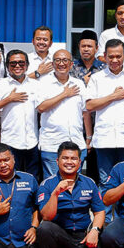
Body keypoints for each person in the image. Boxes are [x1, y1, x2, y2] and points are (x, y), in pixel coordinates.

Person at [36, 142, 108, 248]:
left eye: (74, 158)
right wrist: (55, 193)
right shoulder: (47, 185)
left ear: (80, 162)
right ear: (57, 161)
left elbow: (99, 212)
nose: (69, 162)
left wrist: (95, 230)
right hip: (59, 236)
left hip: (82, 235)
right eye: (65, 158)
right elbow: (46, 216)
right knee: (44, 228)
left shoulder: (89, 183)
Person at [85, 40, 124, 188]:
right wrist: (113, 96)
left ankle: (123, 212)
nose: (114, 60)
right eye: (111, 56)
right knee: (106, 182)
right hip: (104, 139)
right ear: (105, 56)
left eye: (118, 56)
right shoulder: (97, 78)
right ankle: (105, 212)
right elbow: (89, 105)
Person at [0, 50, 41, 179]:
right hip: (11, 142)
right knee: (10, 179)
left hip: (32, 141)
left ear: (27, 65)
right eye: (13, 63)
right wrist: (8, 99)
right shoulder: (0, 85)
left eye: (21, 63)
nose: (17, 66)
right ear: (7, 66)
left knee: (33, 179)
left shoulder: (36, 85)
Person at [36, 49, 91, 177]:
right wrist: (64, 94)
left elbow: (85, 112)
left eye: (65, 60)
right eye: (58, 60)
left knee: (74, 183)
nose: (61, 63)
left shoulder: (78, 84)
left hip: (76, 143)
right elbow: (41, 107)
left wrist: (88, 137)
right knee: (53, 184)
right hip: (52, 145)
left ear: (71, 64)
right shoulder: (43, 84)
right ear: (53, 64)